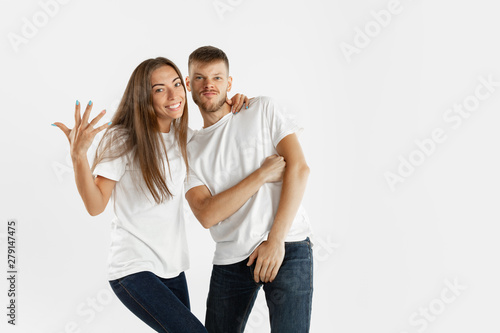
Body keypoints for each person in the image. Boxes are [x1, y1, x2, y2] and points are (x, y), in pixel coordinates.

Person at [52, 56, 285, 333]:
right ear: (143, 96)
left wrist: (236, 103)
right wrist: (79, 157)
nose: (174, 95)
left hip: (173, 269)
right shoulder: (123, 138)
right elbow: (95, 205)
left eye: (176, 84)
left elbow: (216, 131)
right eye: (160, 89)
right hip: (134, 268)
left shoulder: (183, 136)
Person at [184, 46, 314, 333]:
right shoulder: (190, 149)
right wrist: (261, 174)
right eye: (200, 78)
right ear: (188, 84)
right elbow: (206, 214)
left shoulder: (261, 109)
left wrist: (275, 240)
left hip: (287, 246)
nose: (209, 85)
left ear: (229, 83)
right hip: (231, 257)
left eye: (218, 78)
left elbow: (299, 168)